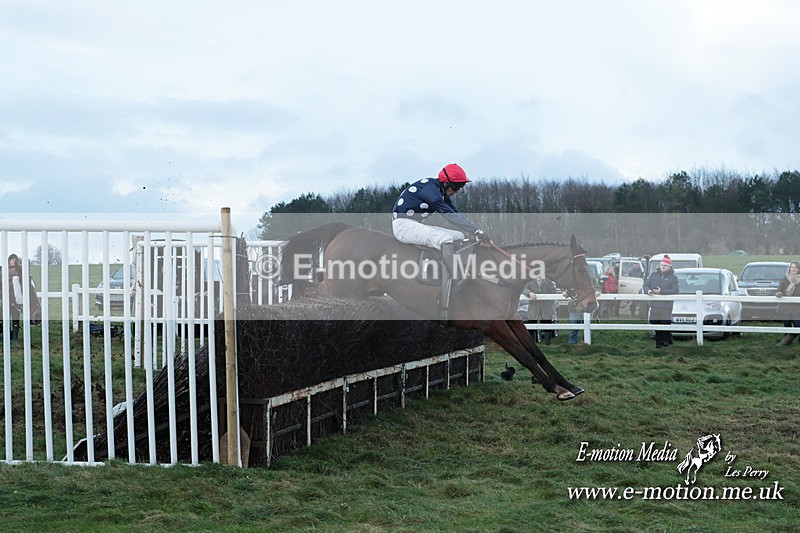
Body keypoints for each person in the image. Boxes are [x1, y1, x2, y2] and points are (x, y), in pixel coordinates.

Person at [392, 163, 491, 320]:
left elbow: (454, 212)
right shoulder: (430, 191)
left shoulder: (438, 189)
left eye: (460, 187)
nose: (457, 191)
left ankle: (453, 268)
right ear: (446, 182)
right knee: (444, 238)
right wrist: (475, 231)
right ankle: (456, 277)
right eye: (456, 186)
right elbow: (448, 214)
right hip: (403, 226)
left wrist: (475, 231)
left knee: (458, 236)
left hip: (414, 224)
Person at [642, 255, 680, 348]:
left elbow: (675, 290)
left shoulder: (673, 278)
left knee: (665, 325)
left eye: (665, 265)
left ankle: (666, 344)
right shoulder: (653, 275)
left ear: (669, 267)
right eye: (662, 265)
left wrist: (661, 291)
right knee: (655, 324)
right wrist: (648, 291)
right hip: (654, 306)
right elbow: (646, 285)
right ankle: (659, 344)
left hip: (666, 307)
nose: (663, 267)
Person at [522, 275, 558, 345]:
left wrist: (548, 304)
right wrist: (529, 293)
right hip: (534, 307)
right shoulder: (529, 282)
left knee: (547, 325)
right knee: (531, 325)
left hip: (546, 307)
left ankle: (547, 344)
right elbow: (523, 289)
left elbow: (553, 294)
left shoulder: (549, 282)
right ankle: (532, 344)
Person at [775, 261, 800, 346]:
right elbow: (779, 290)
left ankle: (783, 343)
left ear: (798, 269)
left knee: (798, 327)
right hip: (785, 308)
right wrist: (779, 294)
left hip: (797, 309)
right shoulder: (784, 279)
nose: (793, 269)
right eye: (792, 267)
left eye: (795, 267)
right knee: (787, 327)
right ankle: (787, 343)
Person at [6, 254, 25, 342]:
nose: (13, 261)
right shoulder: (5, 271)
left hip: (16, 299)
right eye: (11, 259)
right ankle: (8, 335)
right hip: (6, 299)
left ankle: (15, 338)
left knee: (16, 318)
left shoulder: (20, 271)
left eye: (14, 259)